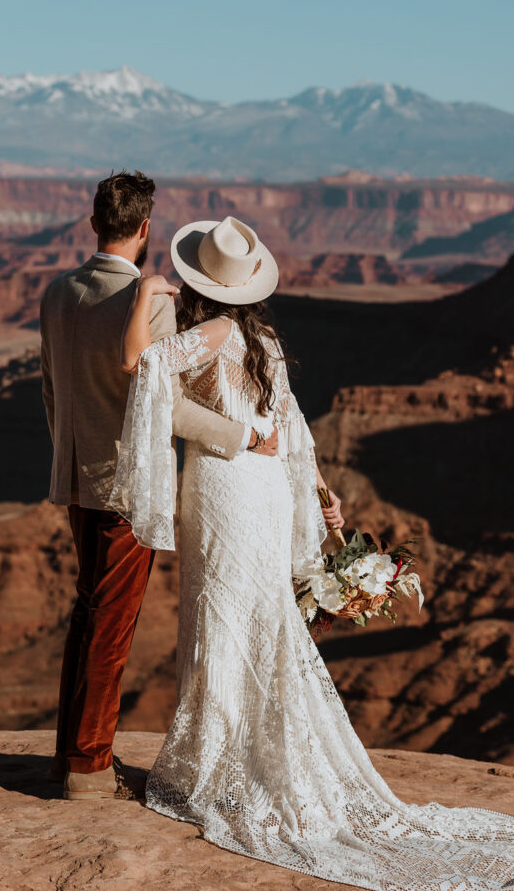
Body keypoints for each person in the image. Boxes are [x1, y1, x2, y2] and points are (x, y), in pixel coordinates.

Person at [110, 215, 513, 889]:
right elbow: (294, 430)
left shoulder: (209, 332)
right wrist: (321, 495)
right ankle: (256, 762)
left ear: (197, 283)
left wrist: (145, 294)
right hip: (266, 491)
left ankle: (220, 769)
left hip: (225, 487)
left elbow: (139, 365)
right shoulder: (263, 336)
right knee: (259, 617)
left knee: (223, 616)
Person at [39, 173, 289, 801]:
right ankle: (89, 767)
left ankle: (72, 753)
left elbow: (52, 390)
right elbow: (166, 406)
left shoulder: (57, 292)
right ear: (146, 229)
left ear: (95, 223)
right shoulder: (150, 302)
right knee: (112, 621)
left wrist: (69, 453)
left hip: (73, 473)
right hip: (128, 480)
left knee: (89, 609)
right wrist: (243, 437)